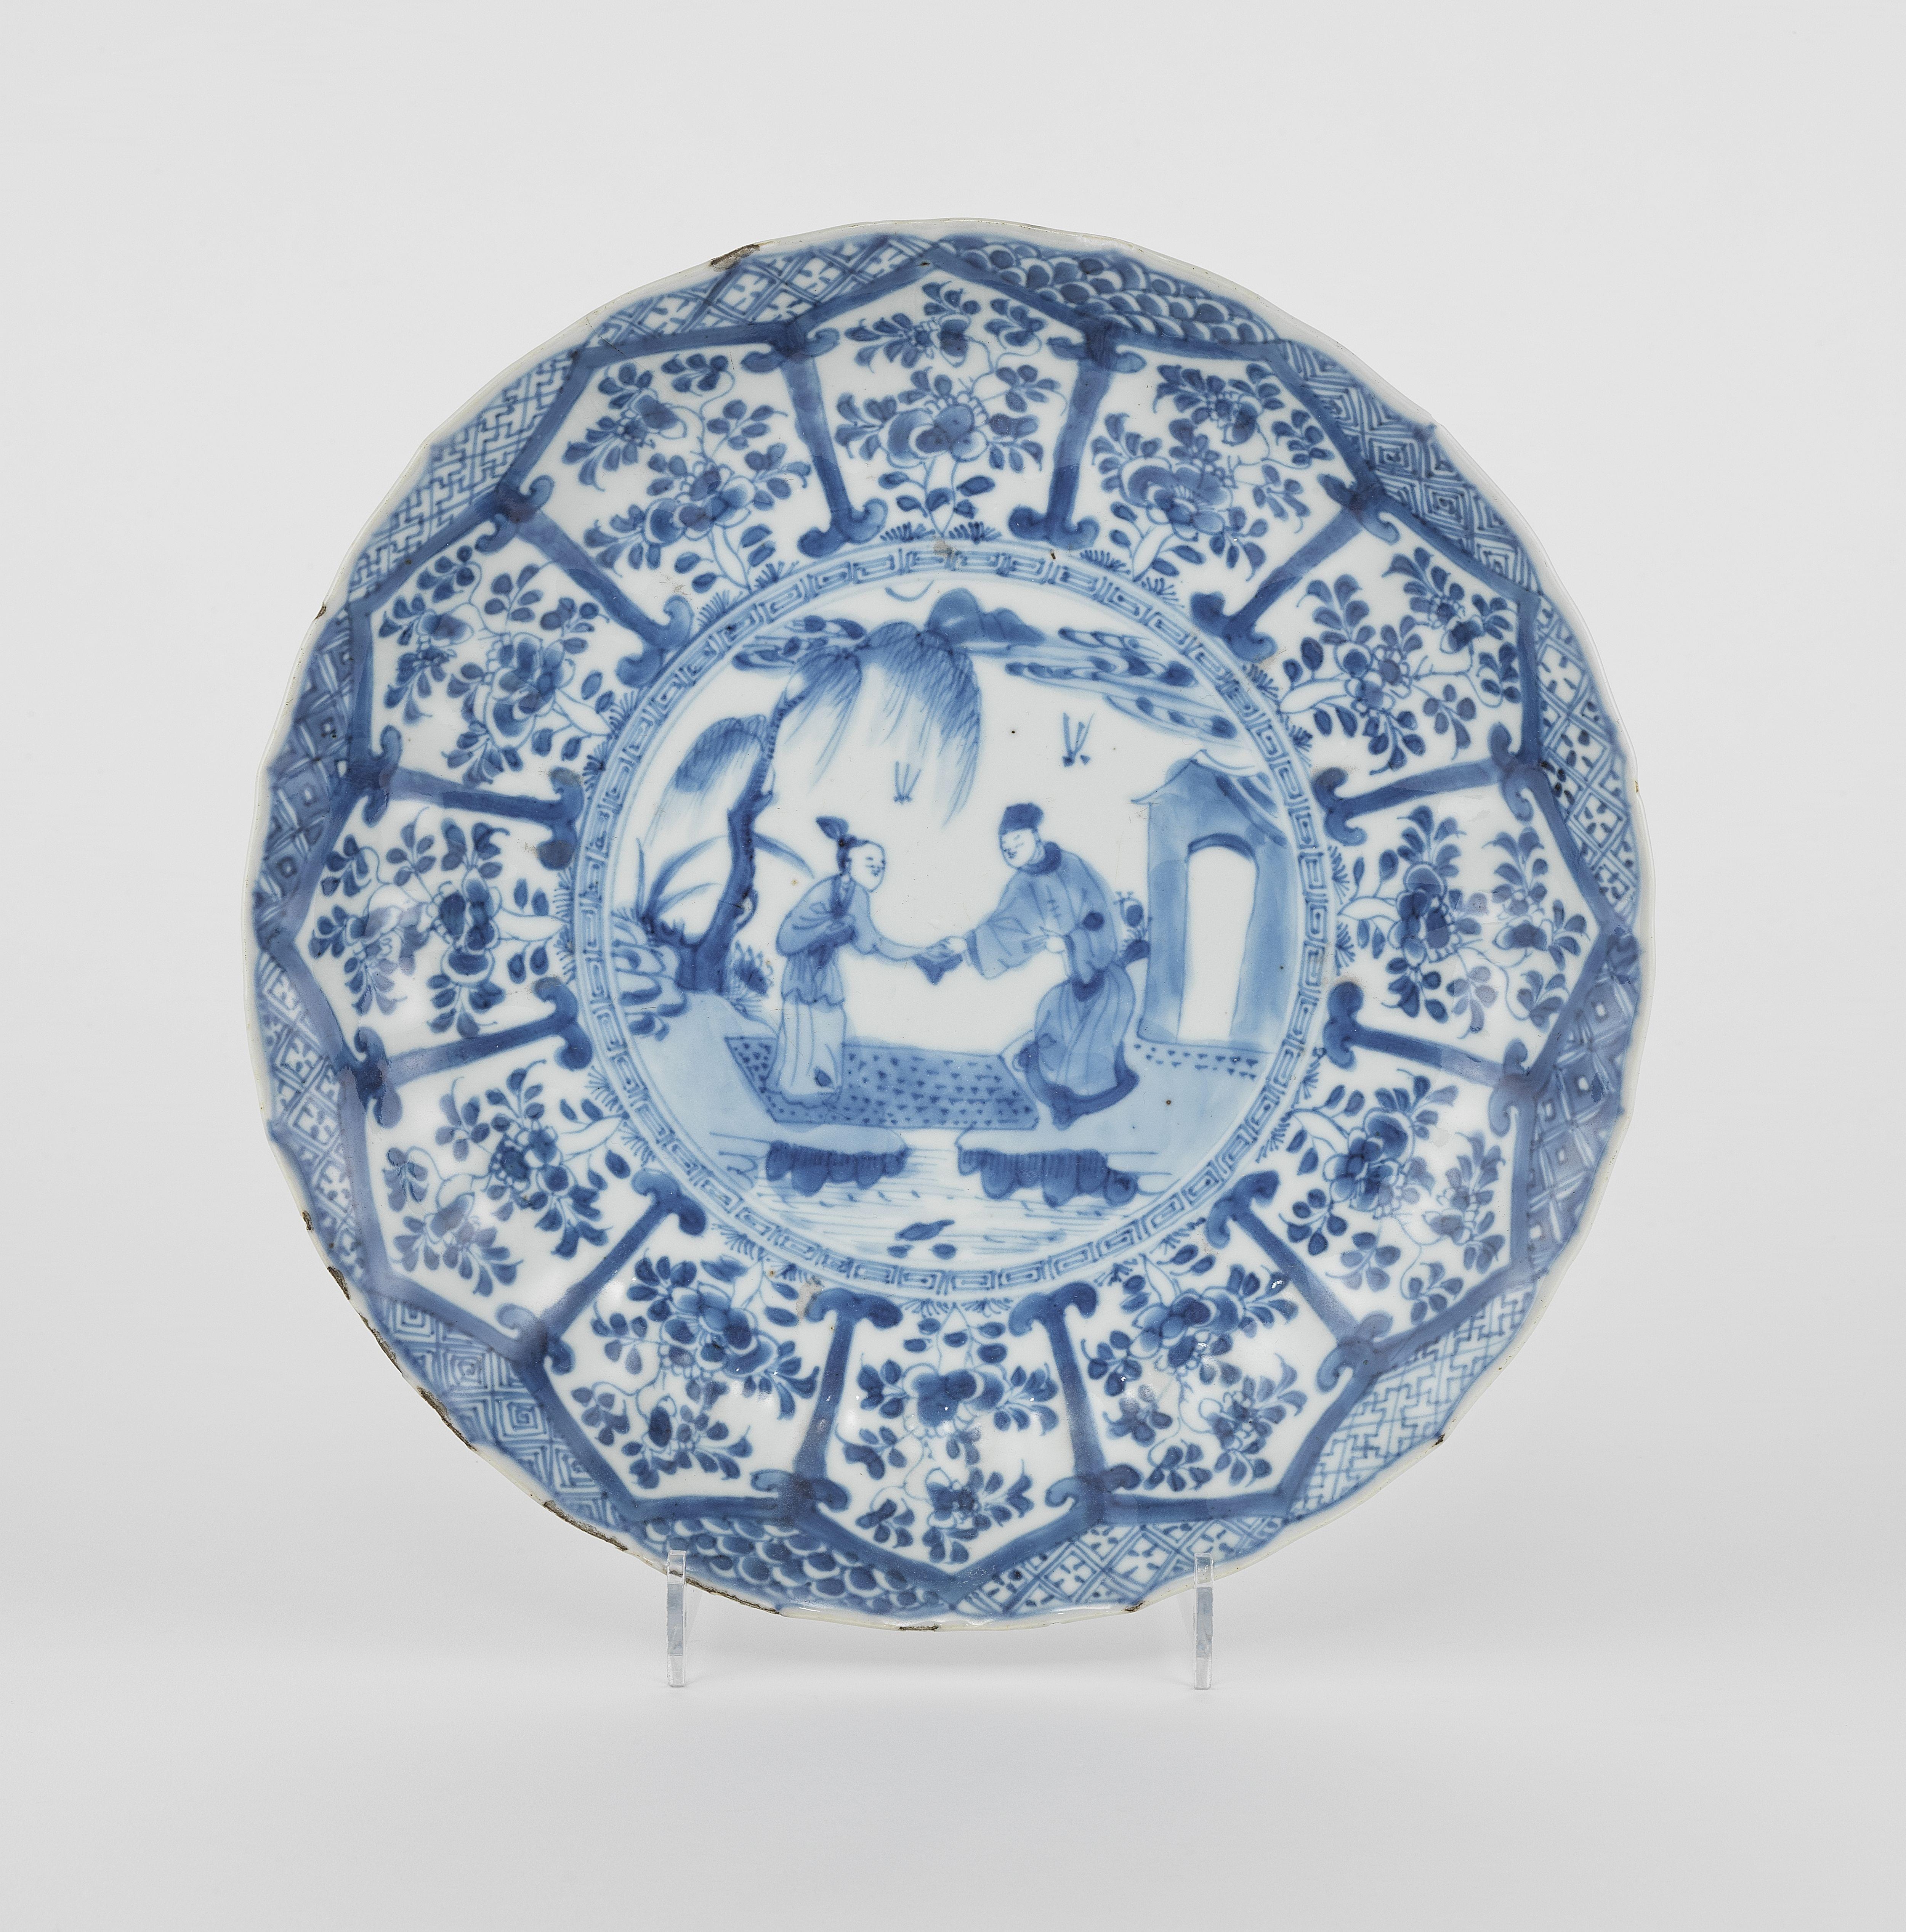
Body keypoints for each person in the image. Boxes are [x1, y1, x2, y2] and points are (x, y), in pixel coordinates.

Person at [941, 803, 1138, 1129]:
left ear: (1035, 836)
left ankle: (1084, 1100)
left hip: (1103, 977)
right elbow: (1006, 926)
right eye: (1006, 848)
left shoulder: (1074, 867)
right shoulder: (1022, 885)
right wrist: (969, 945)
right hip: (1074, 977)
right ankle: (1059, 1097)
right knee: (1050, 1013)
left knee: (1090, 1039)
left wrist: (1071, 942)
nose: (1011, 851)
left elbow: (1100, 916)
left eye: (1017, 843)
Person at [769, 817, 924, 1097]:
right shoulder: (823, 893)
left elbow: (873, 942)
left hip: (824, 971)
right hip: (803, 970)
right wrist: (825, 930)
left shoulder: (857, 896)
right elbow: (786, 940)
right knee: (805, 1030)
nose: (878, 867)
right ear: (848, 864)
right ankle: (799, 1089)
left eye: (882, 863)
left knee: (829, 1026)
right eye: (870, 861)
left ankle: (819, 1088)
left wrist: (919, 953)